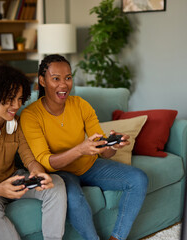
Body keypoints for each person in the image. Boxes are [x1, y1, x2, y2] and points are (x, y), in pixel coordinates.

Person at [20, 54, 148, 240]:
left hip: (90, 166)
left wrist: (113, 144)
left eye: (68, 78)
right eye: (56, 79)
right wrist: (80, 149)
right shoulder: (31, 115)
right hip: (60, 173)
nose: (64, 85)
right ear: (42, 81)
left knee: (139, 178)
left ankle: (117, 238)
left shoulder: (81, 105)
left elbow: (105, 152)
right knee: (74, 199)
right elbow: (46, 162)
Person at [0, 63, 67, 240]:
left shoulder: (15, 123)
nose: (16, 105)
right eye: (10, 99)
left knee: (56, 184)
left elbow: (29, 158)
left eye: (19, 99)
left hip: (12, 180)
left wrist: (38, 174)